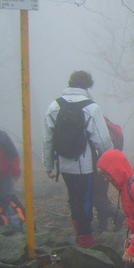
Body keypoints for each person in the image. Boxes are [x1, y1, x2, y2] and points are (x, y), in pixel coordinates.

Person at [42, 70, 113, 248]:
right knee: (85, 200)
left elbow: (48, 138)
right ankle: (86, 241)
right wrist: (110, 164)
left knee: (73, 198)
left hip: (64, 164)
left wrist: (48, 165)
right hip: (84, 165)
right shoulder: (91, 107)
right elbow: (102, 140)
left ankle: (79, 235)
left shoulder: (55, 106)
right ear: (88, 86)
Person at [92, 116, 125, 233]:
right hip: (108, 167)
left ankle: (115, 213)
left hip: (97, 166)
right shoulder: (113, 128)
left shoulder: (99, 128)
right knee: (102, 195)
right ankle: (102, 227)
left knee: (92, 196)